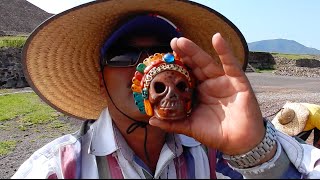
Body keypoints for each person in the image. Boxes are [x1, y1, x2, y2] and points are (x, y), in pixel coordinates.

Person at [12, 0, 320, 179]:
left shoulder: (219, 154)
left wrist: (252, 149)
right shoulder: (58, 169)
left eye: (165, 54)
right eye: (123, 56)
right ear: (99, 79)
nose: (148, 68)